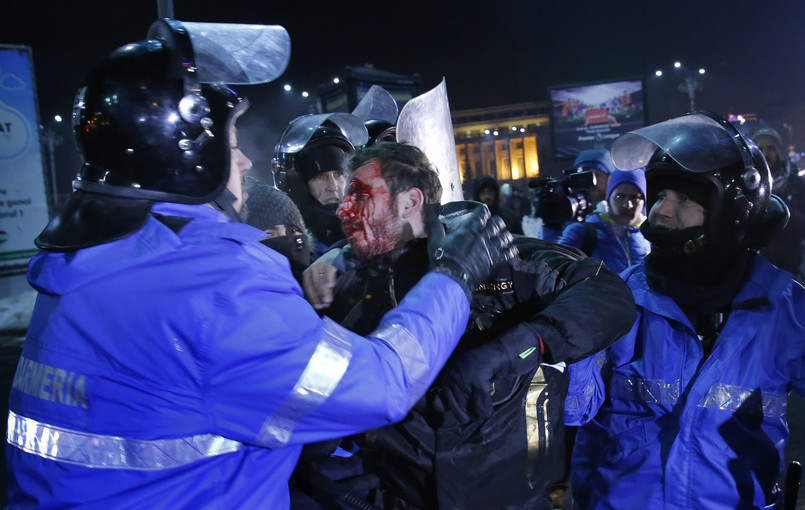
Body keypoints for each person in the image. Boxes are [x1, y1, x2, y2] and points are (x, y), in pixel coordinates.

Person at [5, 25, 518, 508]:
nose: (246, 162)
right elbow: (381, 385)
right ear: (187, 156)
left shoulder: (85, 262)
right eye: (231, 146)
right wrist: (453, 274)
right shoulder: (216, 287)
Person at [302, 142, 637, 510]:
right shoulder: (346, 286)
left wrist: (520, 345)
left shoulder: (507, 259)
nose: (344, 209)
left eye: (361, 195)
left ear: (411, 202)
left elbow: (608, 294)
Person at [566, 111, 804, 509]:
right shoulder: (619, 297)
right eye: (660, 195)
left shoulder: (784, 309)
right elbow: (574, 408)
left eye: (685, 198)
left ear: (730, 213)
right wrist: (562, 335)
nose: (661, 210)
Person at [273, 113, 369, 261]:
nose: (333, 186)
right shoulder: (289, 243)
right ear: (297, 185)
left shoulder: (367, 227)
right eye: (320, 177)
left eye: (338, 174)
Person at [557, 167, 650, 272]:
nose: (627, 205)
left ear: (644, 202)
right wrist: (550, 226)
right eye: (620, 196)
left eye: (635, 197)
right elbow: (553, 268)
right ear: (609, 199)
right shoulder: (582, 233)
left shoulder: (650, 236)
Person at [751, 127, 805, 282]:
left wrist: (780, 209)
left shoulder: (796, 183)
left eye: (770, 148)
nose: (765, 154)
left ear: (779, 152)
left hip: (788, 267)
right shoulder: (746, 183)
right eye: (759, 148)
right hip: (752, 270)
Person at [539, 149, 615, 242]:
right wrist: (552, 227)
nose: (593, 182)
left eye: (597, 175)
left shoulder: (622, 211)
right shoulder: (566, 212)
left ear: (610, 178)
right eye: (585, 176)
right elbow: (552, 253)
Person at [244, 180, 310, 283]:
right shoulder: (250, 293)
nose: (284, 238)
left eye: (292, 231)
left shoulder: (326, 279)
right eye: (269, 234)